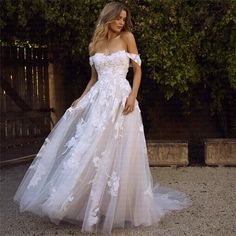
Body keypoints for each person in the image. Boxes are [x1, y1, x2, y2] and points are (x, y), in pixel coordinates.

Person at [13, 1, 192, 234]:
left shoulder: (127, 37)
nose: (121, 22)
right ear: (108, 17)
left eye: (124, 19)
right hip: (99, 101)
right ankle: (86, 202)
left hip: (121, 100)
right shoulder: (94, 44)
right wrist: (81, 98)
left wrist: (133, 96)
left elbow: (138, 71)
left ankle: (121, 207)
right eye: (118, 18)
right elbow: (93, 79)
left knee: (120, 151)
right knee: (91, 150)